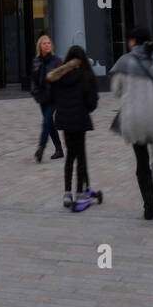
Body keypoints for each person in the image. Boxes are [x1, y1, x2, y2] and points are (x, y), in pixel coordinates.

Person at [111, 28, 153, 220]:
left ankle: (148, 204)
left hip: (135, 117)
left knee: (141, 162)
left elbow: (116, 90)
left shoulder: (124, 61)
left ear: (133, 41)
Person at [46, 46, 98, 209]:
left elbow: (53, 96)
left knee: (69, 156)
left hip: (65, 120)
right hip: (80, 120)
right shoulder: (86, 74)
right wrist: (85, 109)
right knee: (81, 156)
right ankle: (80, 193)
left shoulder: (60, 74)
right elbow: (92, 101)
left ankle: (67, 193)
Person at [30, 34, 63, 162]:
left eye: (49, 43)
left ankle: (41, 149)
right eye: (44, 43)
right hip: (42, 97)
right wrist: (36, 94)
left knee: (45, 121)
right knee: (49, 124)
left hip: (53, 97)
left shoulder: (57, 60)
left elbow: (62, 78)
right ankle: (59, 149)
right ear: (40, 46)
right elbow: (33, 80)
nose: (47, 45)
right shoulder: (36, 61)